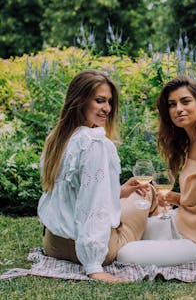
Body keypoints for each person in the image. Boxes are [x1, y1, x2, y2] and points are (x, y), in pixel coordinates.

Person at [38, 69, 155, 283]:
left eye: (109, 102)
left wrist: (120, 191)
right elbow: (93, 205)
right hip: (90, 253)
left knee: (130, 194)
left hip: (54, 244)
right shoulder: (96, 143)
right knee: (147, 194)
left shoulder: (55, 139)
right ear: (80, 101)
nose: (107, 109)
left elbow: (76, 194)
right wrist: (94, 266)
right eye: (100, 101)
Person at [117, 76, 196, 269]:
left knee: (125, 253)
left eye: (185, 101)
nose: (178, 109)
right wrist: (172, 197)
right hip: (182, 222)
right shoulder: (191, 137)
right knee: (123, 232)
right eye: (172, 104)